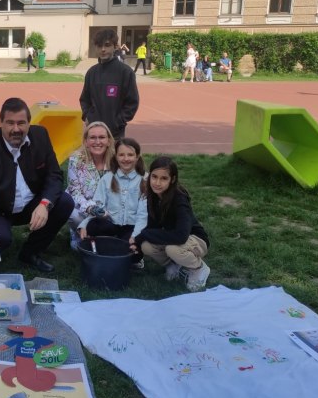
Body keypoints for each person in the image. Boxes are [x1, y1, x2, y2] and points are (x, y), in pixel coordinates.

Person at [0, 98, 74, 273]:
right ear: (0, 123)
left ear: (29, 123)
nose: (16, 129)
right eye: (10, 123)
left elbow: (54, 175)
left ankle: (31, 253)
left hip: (30, 204)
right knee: (0, 238)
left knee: (64, 202)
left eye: (21, 123)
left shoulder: (41, 136)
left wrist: (44, 204)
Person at [131, 156, 210, 292]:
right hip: (175, 238)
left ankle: (199, 268)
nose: (157, 182)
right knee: (146, 246)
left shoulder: (179, 199)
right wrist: (137, 241)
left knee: (172, 249)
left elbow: (181, 236)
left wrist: (144, 234)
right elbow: (153, 226)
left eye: (164, 178)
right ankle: (174, 264)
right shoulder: (153, 196)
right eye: (154, 177)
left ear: (172, 179)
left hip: (195, 239)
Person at [77, 138, 148, 270]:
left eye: (130, 155)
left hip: (132, 227)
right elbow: (97, 206)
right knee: (93, 225)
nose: (126, 159)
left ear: (137, 157)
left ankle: (132, 256)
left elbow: (143, 215)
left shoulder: (145, 180)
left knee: (132, 252)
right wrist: (84, 224)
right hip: (111, 225)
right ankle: (107, 246)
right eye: (121, 155)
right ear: (116, 157)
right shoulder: (107, 179)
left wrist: (135, 237)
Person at [79, 29, 139, 140]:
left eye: (107, 45)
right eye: (99, 46)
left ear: (115, 47)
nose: (103, 49)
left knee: (113, 158)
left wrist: (118, 122)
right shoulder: (92, 72)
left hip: (115, 134)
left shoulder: (125, 72)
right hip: (94, 132)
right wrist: (87, 117)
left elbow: (132, 103)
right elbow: (84, 99)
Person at [65, 121, 116, 250]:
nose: (97, 142)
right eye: (92, 137)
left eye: (102, 137)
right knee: (69, 210)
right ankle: (77, 234)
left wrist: (105, 211)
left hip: (108, 210)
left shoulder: (117, 161)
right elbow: (75, 191)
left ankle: (102, 235)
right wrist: (90, 208)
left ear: (109, 141)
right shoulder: (75, 160)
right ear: (86, 142)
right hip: (83, 208)